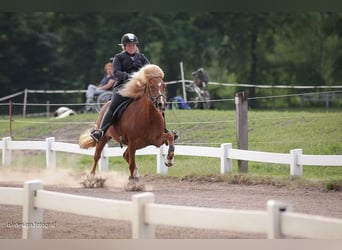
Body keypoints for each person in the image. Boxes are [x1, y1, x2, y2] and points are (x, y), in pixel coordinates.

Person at [90, 33, 178, 143]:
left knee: (157, 102)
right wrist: (129, 76)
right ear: (124, 47)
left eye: (133, 45)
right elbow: (116, 72)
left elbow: (150, 70)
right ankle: (101, 131)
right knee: (113, 105)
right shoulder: (119, 57)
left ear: (136, 46)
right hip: (124, 87)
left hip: (140, 87)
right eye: (129, 45)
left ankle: (163, 130)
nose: (131, 47)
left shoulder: (141, 57)